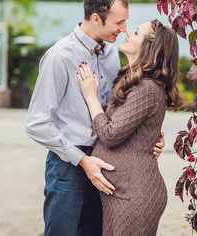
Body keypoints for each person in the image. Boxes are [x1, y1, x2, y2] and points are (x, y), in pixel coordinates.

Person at [25, 0, 165, 236]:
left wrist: (148, 137)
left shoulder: (112, 54)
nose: (123, 30)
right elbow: (36, 124)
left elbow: (120, 110)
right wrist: (82, 160)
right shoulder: (59, 57)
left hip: (110, 164)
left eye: (126, 23)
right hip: (70, 164)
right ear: (96, 18)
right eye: (119, 23)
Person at [77, 19, 185, 236]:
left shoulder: (146, 87)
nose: (127, 32)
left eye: (136, 32)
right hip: (123, 192)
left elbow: (110, 134)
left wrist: (91, 97)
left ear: (149, 48)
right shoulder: (134, 81)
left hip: (134, 195)